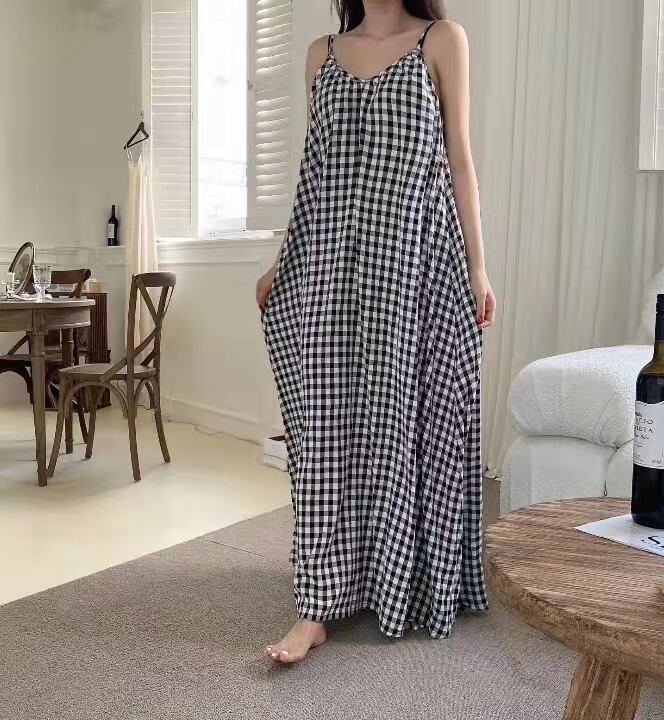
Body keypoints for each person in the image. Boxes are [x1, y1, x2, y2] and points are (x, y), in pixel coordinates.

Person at [256, 0, 496, 663]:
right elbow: (314, 174)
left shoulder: (441, 40)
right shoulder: (321, 55)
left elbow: (459, 159)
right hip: (331, 262)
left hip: (416, 260)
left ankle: (399, 574)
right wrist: (283, 260)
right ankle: (316, 605)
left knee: (408, 420)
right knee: (325, 427)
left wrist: (477, 267)